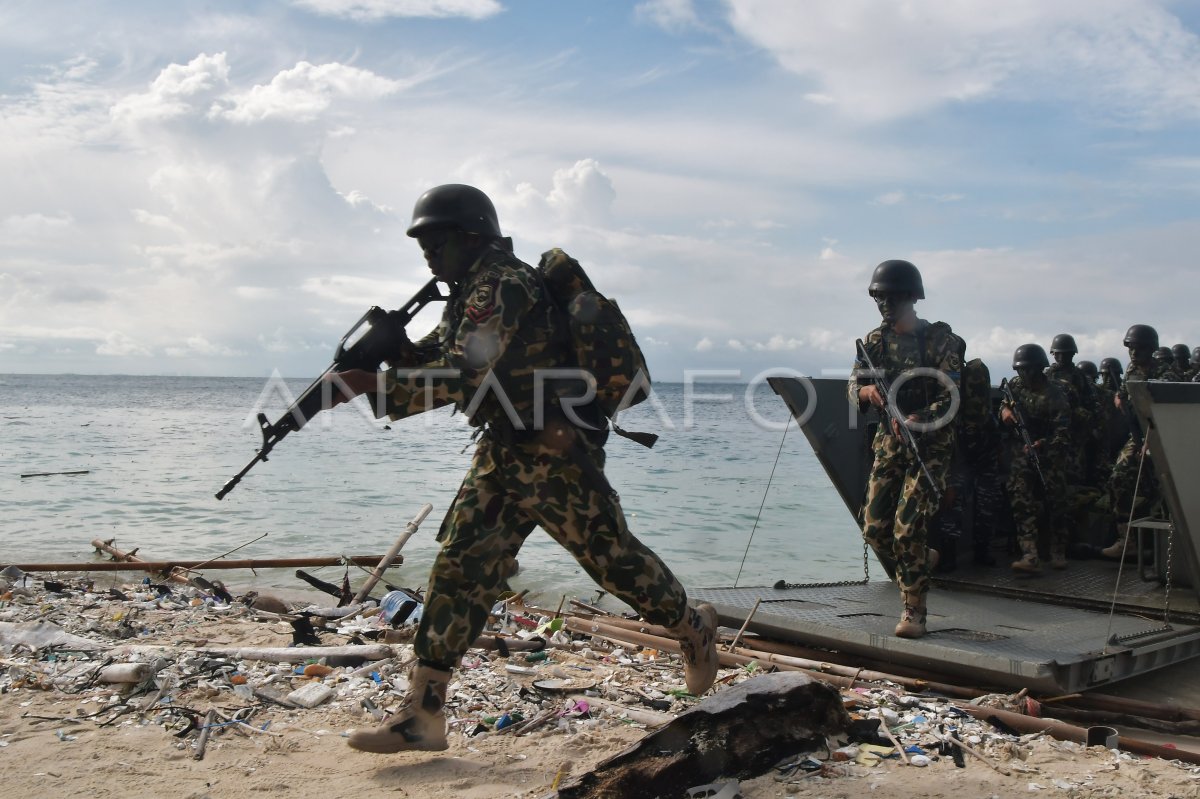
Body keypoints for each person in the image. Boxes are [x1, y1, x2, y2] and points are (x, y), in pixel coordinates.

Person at [330, 184, 718, 754]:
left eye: (436, 240)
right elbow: (445, 358)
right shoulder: (469, 291)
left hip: (557, 455)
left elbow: (465, 375)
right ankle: (423, 714)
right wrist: (391, 350)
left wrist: (376, 388)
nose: (427, 253)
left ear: (470, 236)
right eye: (422, 243)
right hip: (504, 451)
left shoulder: (503, 285)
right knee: (459, 569)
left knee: (614, 562)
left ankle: (692, 627)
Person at [849, 259, 962, 638]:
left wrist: (918, 419)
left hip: (930, 444)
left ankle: (914, 610)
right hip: (890, 442)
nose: (885, 304)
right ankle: (919, 562)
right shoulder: (875, 342)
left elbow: (952, 394)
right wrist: (865, 393)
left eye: (892, 297)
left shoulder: (940, 340)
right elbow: (855, 384)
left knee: (907, 530)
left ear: (912, 298)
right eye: (879, 296)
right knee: (873, 528)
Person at [1101, 324, 1182, 558]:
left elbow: (1170, 416)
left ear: (1150, 349)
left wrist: (1153, 441)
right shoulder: (1130, 371)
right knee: (1118, 479)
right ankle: (1127, 539)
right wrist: (1120, 397)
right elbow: (1127, 397)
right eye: (1130, 348)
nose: (1133, 353)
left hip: (1163, 437)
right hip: (1137, 436)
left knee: (1166, 490)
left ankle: (1175, 548)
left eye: (1138, 348)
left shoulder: (1166, 376)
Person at [1000, 344, 1072, 573]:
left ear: (1040, 369)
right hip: (1022, 451)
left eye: (1030, 370)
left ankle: (1058, 550)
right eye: (1021, 370)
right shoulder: (1015, 387)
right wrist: (1006, 413)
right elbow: (1003, 406)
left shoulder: (1056, 394)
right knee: (1019, 492)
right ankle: (1029, 553)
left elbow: (1063, 433)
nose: (1025, 375)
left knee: (1056, 501)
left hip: (1050, 454)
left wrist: (1043, 444)